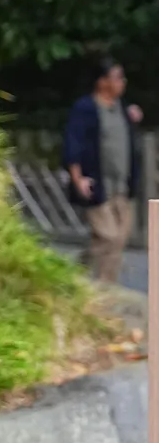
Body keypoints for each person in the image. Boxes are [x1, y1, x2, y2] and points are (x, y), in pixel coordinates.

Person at [63, 53, 145, 285]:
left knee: (117, 240)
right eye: (117, 78)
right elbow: (73, 142)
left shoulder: (122, 108)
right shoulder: (86, 108)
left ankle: (104, 286)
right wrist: (77, 178)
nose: (122, 83)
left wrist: (133, 117)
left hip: (122, 185)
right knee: (107, 236)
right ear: (102, 82)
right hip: (97, 183)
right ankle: (84, 274)